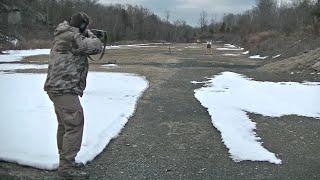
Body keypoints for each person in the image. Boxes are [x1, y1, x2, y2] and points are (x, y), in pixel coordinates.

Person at [44, 12, 102, 178]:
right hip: (63, 88)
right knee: (75, 123)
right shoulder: (71, 36)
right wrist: (91, 34)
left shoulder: (66, 34)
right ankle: (66, 167)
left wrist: (86, 33)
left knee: (65, 125)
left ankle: (65, 162)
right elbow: (95, 47)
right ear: (82, 26)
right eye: (86, 26)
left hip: (59, 88)